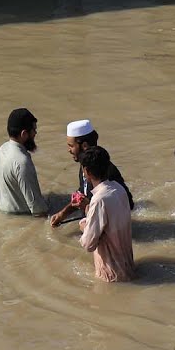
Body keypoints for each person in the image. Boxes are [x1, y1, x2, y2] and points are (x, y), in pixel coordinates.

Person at [51, 119, 134, 227]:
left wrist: (88, 206)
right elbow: (83, 193)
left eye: (71, 146)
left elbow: (128, 205)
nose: (69, 150)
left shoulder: (106, 171)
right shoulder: (84, 166)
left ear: (84, 146)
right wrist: (63, 214)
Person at [78, 147, 135, 282]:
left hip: (109, 274)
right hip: (127, 266)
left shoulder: (99, 200)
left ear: (86, 171)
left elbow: (88, 244)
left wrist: (83, 225)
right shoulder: (119, 188)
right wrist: (88, 209)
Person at [0, 108, 50, 216]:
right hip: (20, 216)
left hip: (2, 211)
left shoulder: (3, 148)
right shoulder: (22, 162)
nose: (35, 133)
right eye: (33, 130)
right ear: (24, 134)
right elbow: (38, 209)